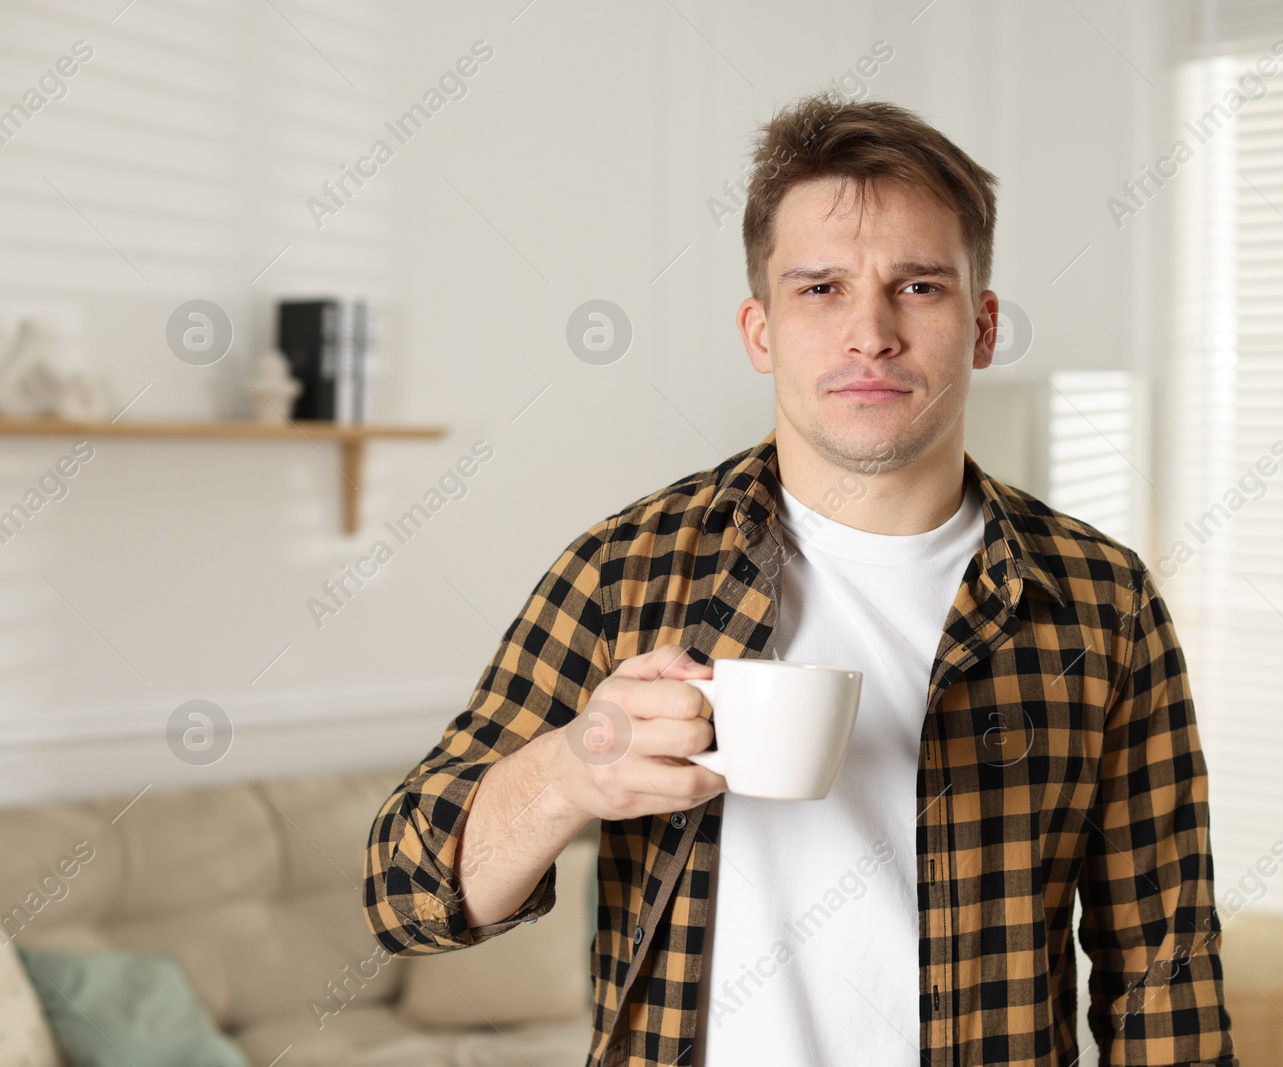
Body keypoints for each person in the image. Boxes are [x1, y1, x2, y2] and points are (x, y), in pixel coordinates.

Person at [364, 93, 1236, 1067]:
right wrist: (572, 771)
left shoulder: (1100, 600)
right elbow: (405, 899)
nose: (870, 332)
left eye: (918, 287)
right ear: (760, 330)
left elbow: (1163, 971)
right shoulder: (626, 568)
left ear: (983, 326)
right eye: (820, 288)